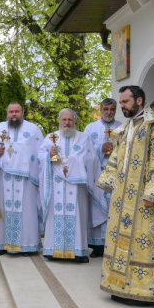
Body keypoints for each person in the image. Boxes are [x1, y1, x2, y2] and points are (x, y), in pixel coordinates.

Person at [97, 85, 154, 304]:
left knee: (144, 243)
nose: (122, 106)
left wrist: (153, 193)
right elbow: (118, 158)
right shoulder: (127, 128)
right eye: (121, 102)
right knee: (122, 241)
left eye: (125, 102)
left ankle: (145, 291)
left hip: (144, 199)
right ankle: (120, 285)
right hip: (124, 198)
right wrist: (109, 181)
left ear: (139, 101)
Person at [38, 109, 103, 262]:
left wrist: (76, 161)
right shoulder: (50, 137)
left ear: (75, 121)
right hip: (56, 186)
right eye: (64, 120)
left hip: (76, 187)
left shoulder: (83, 138)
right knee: (56, 215)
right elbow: (40, 159)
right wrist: (49, 155)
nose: (67, 123)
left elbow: (92, 160)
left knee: (77, 215)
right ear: (59, 121)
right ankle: (53, 250)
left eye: (70, 120)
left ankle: (78, 252)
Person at [0, 101, 44, 255]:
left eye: (17, 111)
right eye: (11, 112)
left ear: (23, 112)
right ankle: (2, 244)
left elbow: (41, 152)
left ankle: (28, 245)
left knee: (27, 212)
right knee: (4, 211)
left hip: (27, 181)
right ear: (7, 113)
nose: (14, 114)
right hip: (5, 179)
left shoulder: (33, 130)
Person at [82, 97, 119, 257]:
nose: (109, 112)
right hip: (97, 175)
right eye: (106, 109)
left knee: (114, 208)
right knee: (97, 208)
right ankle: (97, 246)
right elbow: (84, 151)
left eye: (112, 109)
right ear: (101, 110)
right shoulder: (90, 128)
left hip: (116, 175)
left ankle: (113, 244)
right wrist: (100, 148)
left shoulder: (121, 127)